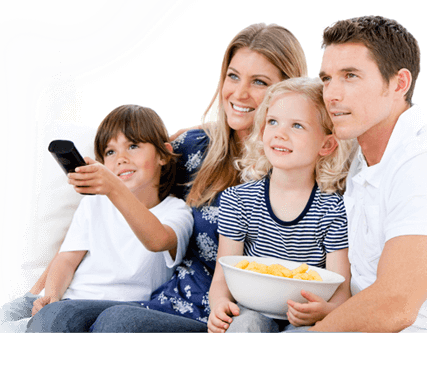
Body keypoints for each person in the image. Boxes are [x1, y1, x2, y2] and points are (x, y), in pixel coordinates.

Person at [30, 23, 308, 333]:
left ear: (287, 90)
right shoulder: (195, 149)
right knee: (54, 317)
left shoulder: (299, 164)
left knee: (117, 322)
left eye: (259, 81)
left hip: (226, 316)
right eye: (233, 76)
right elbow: (139, 164)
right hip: (167, 303)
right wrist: (41, 291)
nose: (239, 93)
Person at [304, 15, 427, 333]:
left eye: (350, 76)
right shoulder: (365, 156)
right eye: (326, 78)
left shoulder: (424, 163)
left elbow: (395, 305)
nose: (332, 94)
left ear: (399, 84)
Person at [23, 104, 193, 332]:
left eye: (133, 146)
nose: (121, 158)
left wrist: (113, 188)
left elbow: (158, 240)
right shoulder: (94, 203)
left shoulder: (177, 211)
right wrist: (51, 295)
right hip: (68, 300)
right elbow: (66, 260)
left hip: (121, 307)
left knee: (57, 318)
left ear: (163, 155)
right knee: (7, 313)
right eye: (110, 152)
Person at [208, 77, 353, 333]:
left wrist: (327, 312)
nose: (280, 133)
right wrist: (219, 305)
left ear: (326, 144)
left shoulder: (333, 210)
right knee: (247, 326)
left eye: (297, 125)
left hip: (304, 319)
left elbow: (341, 287)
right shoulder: (237, 201)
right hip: (249, 311)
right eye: (272, 122)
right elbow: (223, 277)